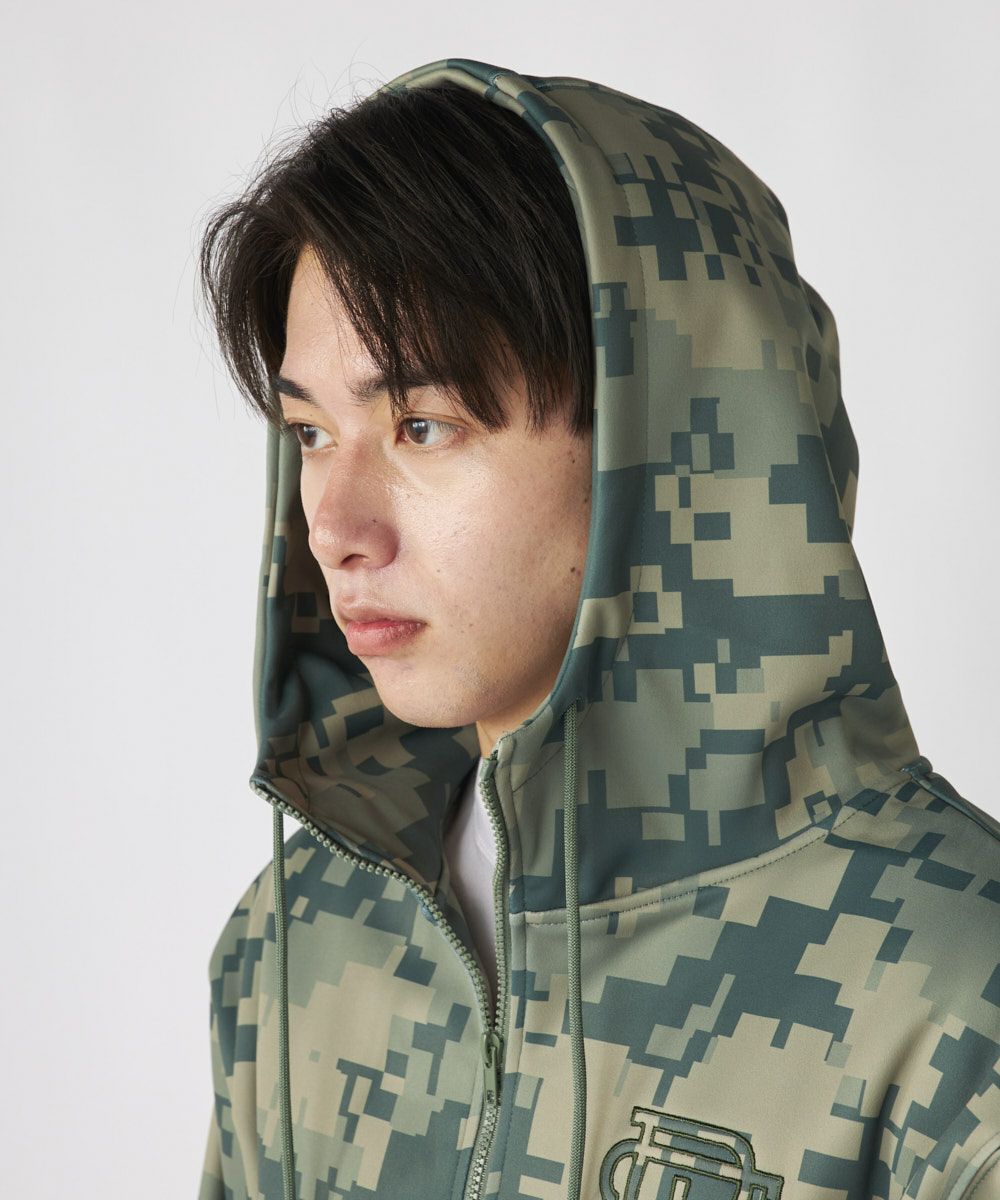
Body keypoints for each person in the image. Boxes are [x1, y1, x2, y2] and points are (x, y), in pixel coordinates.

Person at [195, 57, 1000, 1200]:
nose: (334, 529)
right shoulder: (295, 948)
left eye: (422, 426)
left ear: (662, 439)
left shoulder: (953, 999)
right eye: (312, 434)